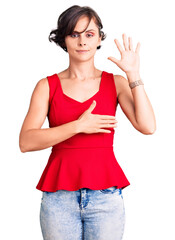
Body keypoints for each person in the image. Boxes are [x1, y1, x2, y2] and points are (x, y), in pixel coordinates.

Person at [19, 5, 156, 240]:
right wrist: (77, 126)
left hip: (106, 196)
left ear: (99, 38)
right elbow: (26, 141)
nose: (82, 41)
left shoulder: (116, 82)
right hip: (58, 198)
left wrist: (133, 74)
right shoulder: (46, 86)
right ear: (63, 40)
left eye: (89, 34)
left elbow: (148, 126)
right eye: (74, 34)